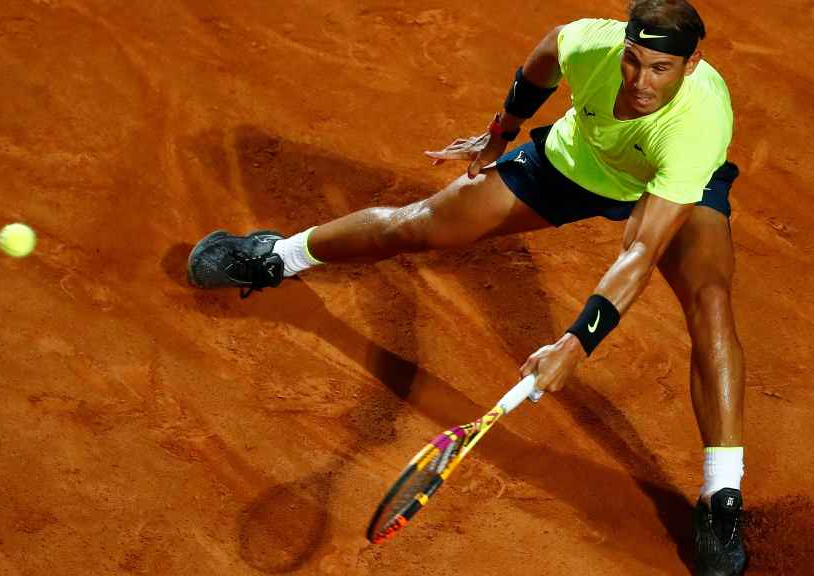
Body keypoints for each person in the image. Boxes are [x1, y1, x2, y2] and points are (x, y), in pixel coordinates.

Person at [188, 0, 747, 573]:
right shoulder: (589, 44)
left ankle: (721, 495)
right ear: (622, 47)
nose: (640, 81)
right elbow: (547, 54)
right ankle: (279, 255)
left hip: (673, 186)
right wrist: (500, 130)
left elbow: (640, 249)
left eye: (661, 69)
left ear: (691, 65)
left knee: (709, 301)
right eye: (633, 62)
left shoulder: (697, 124)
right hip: (578, 161)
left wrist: (575, 344)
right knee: (421, 222)